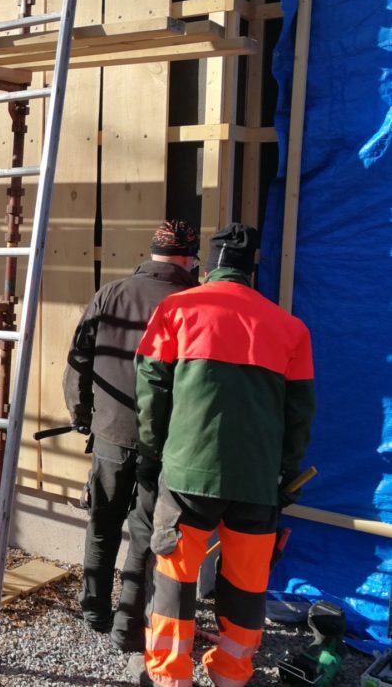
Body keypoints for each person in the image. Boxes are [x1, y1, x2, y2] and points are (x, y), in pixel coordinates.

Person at [135, 223, 316, 687]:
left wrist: (153, 454)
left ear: (209, 266)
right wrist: (286, 474)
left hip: (187, 474)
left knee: (175, 578)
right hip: (257, 481)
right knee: (247, 583)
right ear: (251, 269)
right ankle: (231, 675)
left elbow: (151, 389)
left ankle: (172, 677)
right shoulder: (291, 328)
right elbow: (300, 414)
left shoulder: (176, 310)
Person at [64, 219, 200, 653]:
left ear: (151, 253)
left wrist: (82, 414)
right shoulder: (194, 303)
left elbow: (78, 360)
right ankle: (127, 627)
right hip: (164, 443)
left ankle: (94, 610)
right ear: (189, 259)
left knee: (102, 523)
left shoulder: (111, 294)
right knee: (144, 533)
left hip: (109, 432)